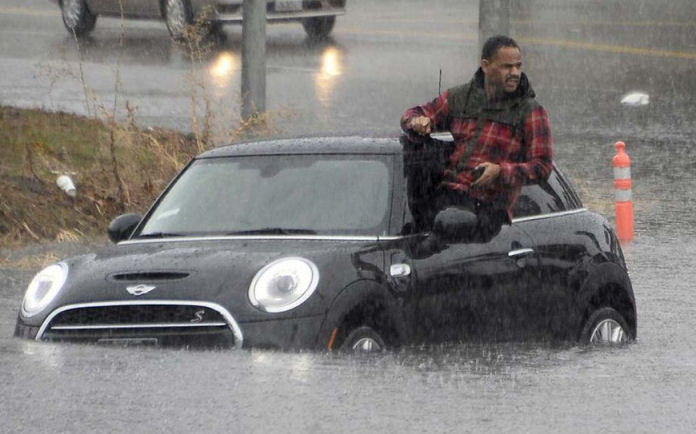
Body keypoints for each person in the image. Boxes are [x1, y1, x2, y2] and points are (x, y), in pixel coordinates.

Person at [401, 35, 553, 240]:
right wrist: (417, 122)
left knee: (438, 238)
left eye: (518, 66)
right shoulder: (459, 98)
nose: (515, 73)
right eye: (507, 67)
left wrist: (500, 172)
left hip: (488, 209)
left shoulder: (531, 112)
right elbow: (412, 115)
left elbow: (542, 167)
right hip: (445, 197)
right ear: (485, 65)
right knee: (414, 151)